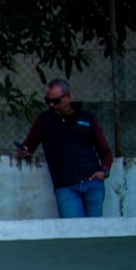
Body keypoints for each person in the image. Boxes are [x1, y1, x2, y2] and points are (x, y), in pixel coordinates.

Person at [16, 79, 113, 218]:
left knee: (94, 231)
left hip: (92, 183)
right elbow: (29, 145)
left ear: (68, 97)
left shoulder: (87, 118)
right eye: (48, 100)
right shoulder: (44, 121)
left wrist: (104, 171)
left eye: (56, 101)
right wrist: (23, 151)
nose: (51, 105)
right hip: (66, 186)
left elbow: (105, 151)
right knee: (73, 231)